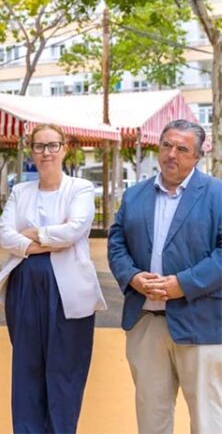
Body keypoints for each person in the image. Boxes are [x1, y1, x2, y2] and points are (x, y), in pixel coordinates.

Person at [0, 123, 106, 433]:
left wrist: (33, 236)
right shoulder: (21, 191)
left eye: (52, 145)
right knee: (27, 368)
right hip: (24, 287)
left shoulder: (80, 188)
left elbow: (75, 229)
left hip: (69, 290)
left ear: (64, 148)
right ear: (31, 151)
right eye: (39, 146)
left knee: (65, 371)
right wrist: (46, 241)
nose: (46, 152)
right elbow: (6, 236)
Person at [108, 119, 221, 434]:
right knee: (151, 418)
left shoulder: (217, 194)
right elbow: (116, 243)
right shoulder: (134, 195)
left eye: (182, 149)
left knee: (208, 420)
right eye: (167, 145)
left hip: (202, 324)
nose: (172, 154)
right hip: (145, 323)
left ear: (197, 156)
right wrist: (132, 277)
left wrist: (181, 285)